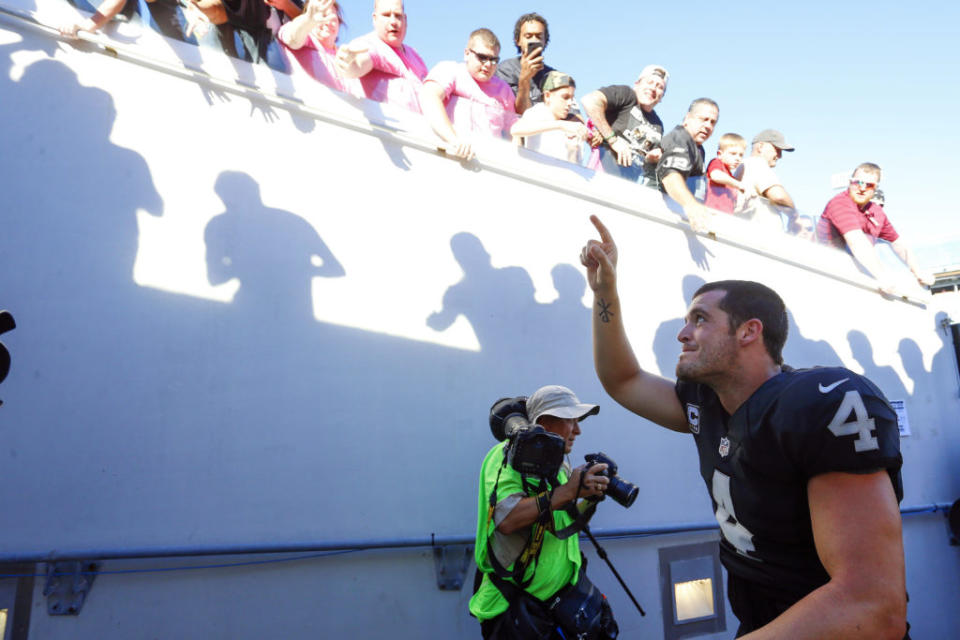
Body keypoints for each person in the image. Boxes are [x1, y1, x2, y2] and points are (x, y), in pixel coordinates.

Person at [579, 214, 909, 639]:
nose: (683, 333)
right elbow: (622, 380)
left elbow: (872, 604)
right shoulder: (707, 403)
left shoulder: (820, 402)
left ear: (749, 331)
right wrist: (606, 292)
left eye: (700, 319)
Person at [470, 385, 618, 639]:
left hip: (558, 603)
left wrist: (590, 499)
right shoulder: (507, 455)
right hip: (517, 608)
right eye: (570, 419)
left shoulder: (557, 464)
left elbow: (561, 523)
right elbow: (507, 520)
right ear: (544, 421)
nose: (578, 430)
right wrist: (569, 490)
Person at [818, 163, 934, 292]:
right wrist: (882, 276)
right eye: (858, 182)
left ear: (876, 188)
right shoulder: (840, 203)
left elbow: (898, 244)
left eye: (869, 185)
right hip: (826, 272)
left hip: (855, 274)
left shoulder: (876, 211)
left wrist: (918, 272)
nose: (862, 188)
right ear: (850, 182)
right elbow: (857, 242)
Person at [420, 29, 517, 161]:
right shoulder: (450, 70)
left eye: (494, 60)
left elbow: (513, 133)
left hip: (491, 164)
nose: (488, 65)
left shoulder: (504, 90)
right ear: (467, 54)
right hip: (451, 156)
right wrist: (454, 140)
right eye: (482, 58)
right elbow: (429, 97)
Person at [335, 0, 427, 112]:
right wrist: (347, 64)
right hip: (384, 126)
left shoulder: (415, 55)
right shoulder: (369, 44)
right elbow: (357, 64)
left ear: (405, 19)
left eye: (398, 16)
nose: (393, 21)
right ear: (375, 19)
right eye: (386, 15)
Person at [581, 65, 668, 184]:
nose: (653, 88)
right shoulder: (627, 95)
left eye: (660, 87)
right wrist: (613, 140)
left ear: (662, 96)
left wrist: (653, 159)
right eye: (649, 82)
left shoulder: (658, 125)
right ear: (637, 84)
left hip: (629, 187)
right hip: (599, 177)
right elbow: (589, 101)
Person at [655, 98, 719, 233]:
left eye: (713, 122)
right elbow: (670, 176)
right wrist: (692, 206)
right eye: (704, 119)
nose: (708, 126)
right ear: (687, 118)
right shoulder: (680, 138)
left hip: (680, 217)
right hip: (661, 213)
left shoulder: (699, 149)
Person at [278, 0, 360, 94]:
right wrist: (308, 21)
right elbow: (292, 39)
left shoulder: (343, 54)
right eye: (323, 16)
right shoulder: (306, 38)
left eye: (333, 19)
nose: (328, 22)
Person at [510, 72, 590, 165]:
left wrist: (573, 149)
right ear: (547, 96)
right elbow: (516, 130)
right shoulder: (538, 111)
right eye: (565, 97)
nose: (570, 103)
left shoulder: (571, 124)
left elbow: (575, 165)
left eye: (572, 98)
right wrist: (560, 125)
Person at [734, 130, 797, 233]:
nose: (780, 156)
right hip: (762, 238)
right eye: (777, 149)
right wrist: (794, 215)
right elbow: (778, 196)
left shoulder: (744, 165)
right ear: (760, 147)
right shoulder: (757, 163)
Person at [494, 13, 553, 115]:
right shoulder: (504, 70)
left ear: (545, 41)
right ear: (518, 41)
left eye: (539, 36)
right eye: (528, 36)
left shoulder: (553, 76)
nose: (533, 40)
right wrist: (524, 79)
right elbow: (519, 114)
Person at [703, 133, 746, 214]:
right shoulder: (717, 163)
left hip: (725, 216)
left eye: (741, 155)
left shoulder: (731, 177)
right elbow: (715, 175)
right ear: (720, 154)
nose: (737, 158)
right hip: (711, 213)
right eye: (733, 154)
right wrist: (738, 184)